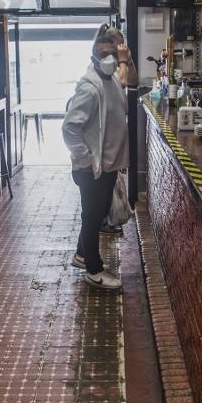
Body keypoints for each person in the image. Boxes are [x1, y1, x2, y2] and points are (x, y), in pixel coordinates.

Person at [62, 24, 135, 291]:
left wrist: (127, 59)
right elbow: (69, 128)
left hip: (109, 163)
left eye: (112, 54)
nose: (108, 59)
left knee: (99, 212)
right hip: (92, 167)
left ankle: (82, 254)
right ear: (93, 55)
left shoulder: (114, 77)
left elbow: (132, 81)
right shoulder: (90, 88)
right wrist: (84, 159)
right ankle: (93, 269)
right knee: (92, 216)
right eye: (102, 53)